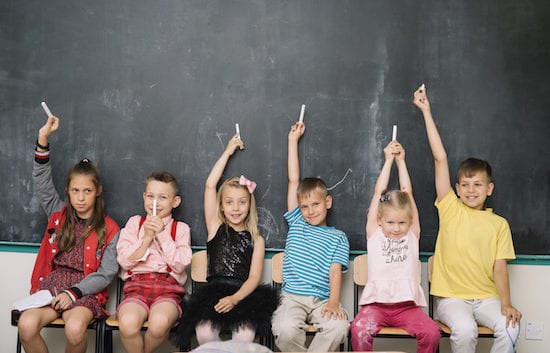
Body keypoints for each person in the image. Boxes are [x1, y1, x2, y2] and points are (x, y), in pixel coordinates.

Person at [414, 86, 522, 353]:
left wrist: (506, 303)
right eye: (465, 185)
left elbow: (500, 269)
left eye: (478, 184)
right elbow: (440, 159)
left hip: (487, 298)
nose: (471, 190)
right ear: (458, 189)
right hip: (452, 299)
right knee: (465, 330)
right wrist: (426, 111)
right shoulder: (450, 208)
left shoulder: (499, 225)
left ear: (489, 189)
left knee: (511, 326)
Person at [17, 116, 120, 353]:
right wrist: (43, 139)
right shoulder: (58, 214)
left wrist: (73, 293)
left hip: (84, 292)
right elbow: (41, 181)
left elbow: (105, 274)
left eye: (87, 191)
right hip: (51, 288)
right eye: (75, 190)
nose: (81, 198)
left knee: (74, 328)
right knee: (26, 324)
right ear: (68, 191)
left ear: (98, 192)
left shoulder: (111, 229)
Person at [173, 134, 278, 348]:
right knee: (203, 332)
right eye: (229, 202)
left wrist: (235, 299)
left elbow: (254, 277)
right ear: (221, 206)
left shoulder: (257, 240)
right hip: (213, 291)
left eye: (241, 202)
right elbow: (210, 186)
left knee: (245, 336)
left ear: (249, 205)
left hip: (244, 294)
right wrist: (228, 151)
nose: (236, 208)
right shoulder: (216, 227)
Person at [350, 141, 440, 352]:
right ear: (380, 219)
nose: (397, 228)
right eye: (391, 223)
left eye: (402, 223)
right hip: (376, 307)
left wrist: (401, 162)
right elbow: (378, 192)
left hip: (407, 308)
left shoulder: (412, 234)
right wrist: (389, 160)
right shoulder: (375, 233)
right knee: (359, 330)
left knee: (432, 333)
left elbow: (407, 192)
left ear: (410, 222)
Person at [271, 121, 350, 352]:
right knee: (284, 329)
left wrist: (334, 303)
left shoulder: (338, 237)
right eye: (304, 206)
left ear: (328, 202)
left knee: (338, 327)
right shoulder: (296, 222)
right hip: (292, 297)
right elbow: (293, 181)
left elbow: (335, 272)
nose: (310, 210)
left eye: (316, 204)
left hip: (323, 300)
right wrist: (292, 142)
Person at [116, 171, 192, 353]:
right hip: (136, 290)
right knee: (127, 324)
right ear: (144, 197)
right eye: (150, 196)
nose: (155, 202)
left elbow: (180, 264)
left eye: (163, 197)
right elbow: (124, 261)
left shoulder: (180, 229)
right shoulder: (135, 224)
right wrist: (146, 239)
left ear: (175, 202)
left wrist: (162, 235)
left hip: (168, 292)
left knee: (159, 324)